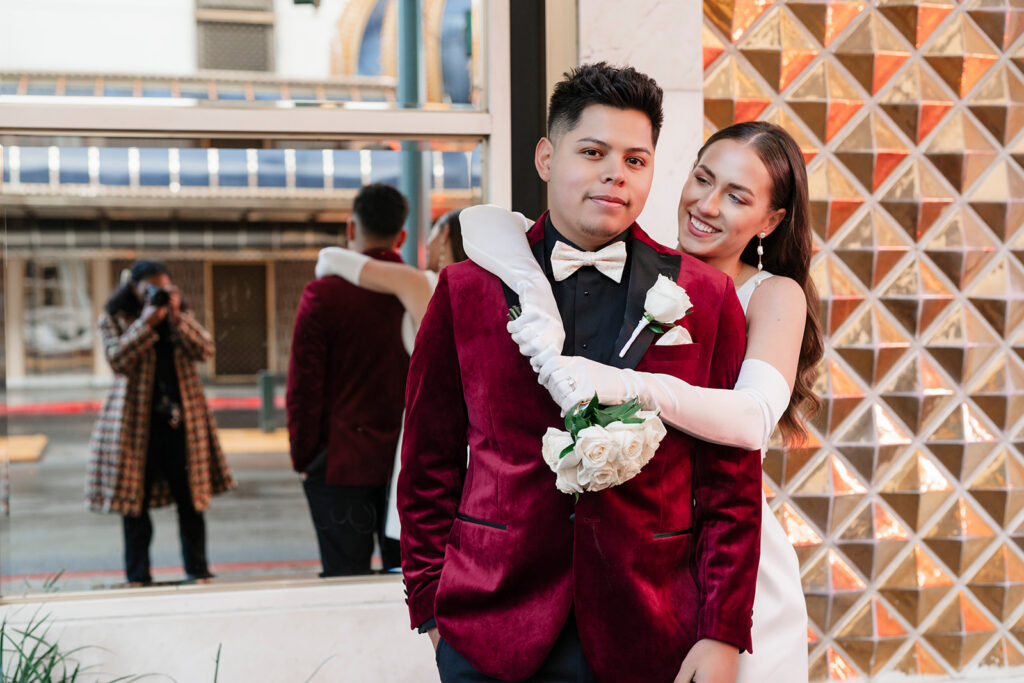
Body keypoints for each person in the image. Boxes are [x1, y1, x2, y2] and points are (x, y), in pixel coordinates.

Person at [398, 63, 762, 683]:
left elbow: (730, 485)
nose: (615, 173)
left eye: (636, 160)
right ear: (546, 157)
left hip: (650, 626)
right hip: (490, 626)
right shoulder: (465, 290)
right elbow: (428, 461)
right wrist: (432, 608)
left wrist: (721, 630)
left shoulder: (706, 295)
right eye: (592, 151)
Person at [461, 121, 822, 682]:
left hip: (731, 557)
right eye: (702, 179)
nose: (707, 204)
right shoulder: (644, 266)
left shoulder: (772, 293)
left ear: (770, 220)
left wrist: (632, 386)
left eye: (736, 197)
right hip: (634, 570)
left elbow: (753, 418)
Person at [312, 208, 468, 542]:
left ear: (443, 236)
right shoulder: (492, 288)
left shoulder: (427, 284)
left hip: (431, 426)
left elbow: (333, 259)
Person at [286, 182, 409, 576]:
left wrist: (305, 457)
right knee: (410, 580)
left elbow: (304, 387)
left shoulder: (324, 295)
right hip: (408, 466)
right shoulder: (423, 290)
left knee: (343, 580)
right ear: (401, 235)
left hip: (341, 464)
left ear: (351, 229)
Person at [87, 260, 234, 586]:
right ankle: (138, 576)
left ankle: (198, 572)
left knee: (191, 501)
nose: (158, 295)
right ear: (134, 289)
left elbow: (206, 349)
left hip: (182, 424)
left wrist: (176, 317)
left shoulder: (178, 317)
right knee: (134, 506)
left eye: (164, 289)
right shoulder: (116, 318)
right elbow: (117, 360)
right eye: (150, 289)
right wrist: (145, 323)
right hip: (134, 425)